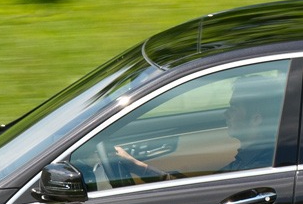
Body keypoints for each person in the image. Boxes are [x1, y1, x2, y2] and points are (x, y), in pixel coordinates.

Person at [109, 71, 284, 182]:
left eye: (234, 108)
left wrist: (138, 167)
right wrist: (137, 166)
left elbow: (198, 198)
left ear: (256, 119)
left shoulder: (255, 170)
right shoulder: (248, 160)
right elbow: (197, 192)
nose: (225, 114)